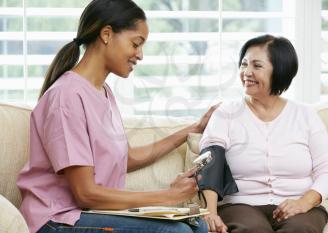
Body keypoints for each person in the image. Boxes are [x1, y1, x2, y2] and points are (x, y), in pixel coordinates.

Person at [16, 0, 216, 232]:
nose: (140, 55)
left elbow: (126, 158)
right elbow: (85, 194)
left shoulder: (104, 93)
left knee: (197, 226)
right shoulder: (66, 96)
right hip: (58, 219)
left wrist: (192, 129)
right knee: (176, 231)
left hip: (90, 214)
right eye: (136, 43)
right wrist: (168, 196)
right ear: (107, 34)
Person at [199, 34, 328, 233]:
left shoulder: (305, 115)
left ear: (280, 70)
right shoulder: (226, 113)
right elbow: (210, 163)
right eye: (244, 64)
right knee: (253, 230)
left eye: (256, 66)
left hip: (298, 205)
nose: (246, 72)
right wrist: (210, 212)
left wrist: (303, 202)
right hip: (240, 205)